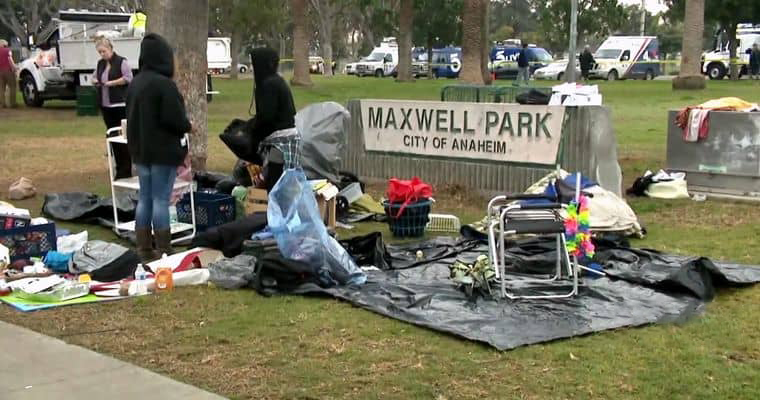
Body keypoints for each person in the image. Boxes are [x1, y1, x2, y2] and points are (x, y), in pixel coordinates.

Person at [126, 33, 192, 261]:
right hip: (163, 151)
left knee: (145, 198)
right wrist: (188, 126)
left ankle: (144, 248)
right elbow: (175, 119)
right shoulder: (165, 85)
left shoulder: (135, 83)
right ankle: (164, 248)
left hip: (141, 150)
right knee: (161, 199)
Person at [248, 47, 298, 192]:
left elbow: (266, 117)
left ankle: (276, 207)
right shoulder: (277, 81)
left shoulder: (269, 85)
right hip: (287, 139)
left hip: (280, 141)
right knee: (284, 183)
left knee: (276, 183)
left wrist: (253, 135)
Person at [92, 37, 133, 179]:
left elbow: (128, 78)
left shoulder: (122, 62)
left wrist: (113, 83)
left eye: (103, 51)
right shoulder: (100, 64)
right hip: (106, 105)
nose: (102, 54)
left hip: (120, 105)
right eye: (99, 52)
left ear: (110, 48)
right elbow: (95, 76)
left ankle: (126, 169)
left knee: (123, 138)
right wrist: (95, 81)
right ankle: (119, 168)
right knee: (113, 137)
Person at [0, 39, 17, 108]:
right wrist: (14, 68)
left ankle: (3, 103)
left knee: (1, 88)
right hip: (8, 71)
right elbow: (10, 59)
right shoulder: (7, 50)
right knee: (12, 86)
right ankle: (12, 103)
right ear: (4, 44)